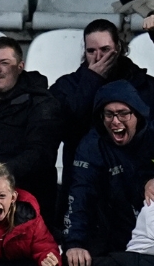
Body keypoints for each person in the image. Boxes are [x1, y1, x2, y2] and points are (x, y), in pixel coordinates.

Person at [51, 19, 154, 220]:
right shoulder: (66, 87)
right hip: (84, 188)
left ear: (119, 48)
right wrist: (92, 80)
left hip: (136, 185)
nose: (98, 57)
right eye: (91, 51)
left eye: (105, 49)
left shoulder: (145, 85)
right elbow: (67, 130)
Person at [0, 37, 61, 230]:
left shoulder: (42, 103)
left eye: (4, 63)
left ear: (20, 66)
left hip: (30, 204)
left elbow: (40, 156)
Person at [63, 80, 154, 266]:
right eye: (109, 114)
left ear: (137, 113)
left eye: (123, 113)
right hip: (113, 237)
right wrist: (75, 243)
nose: (115, 121)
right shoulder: (92, 146)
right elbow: (80, 195)